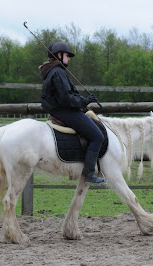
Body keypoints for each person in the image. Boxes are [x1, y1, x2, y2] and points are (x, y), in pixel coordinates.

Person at [39, 41, 107, 185]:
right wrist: (84, 102)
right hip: (65, 112)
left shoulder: (53, 71)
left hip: (59, 110)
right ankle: (89, 174)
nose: (69, 58)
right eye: (67, 55)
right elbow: (66, 98)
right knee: (97, 136)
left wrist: (83, 100)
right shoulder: (58, 72)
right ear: (59, 55)